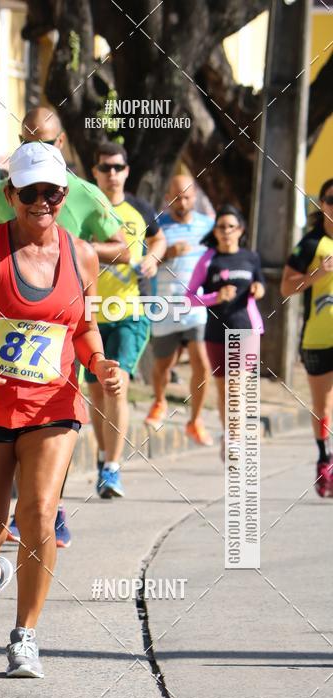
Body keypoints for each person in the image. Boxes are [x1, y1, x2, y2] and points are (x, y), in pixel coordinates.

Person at [0, 141, 120, 677]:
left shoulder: (81, 255)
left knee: (38, 511)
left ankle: (25, 637)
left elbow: (82, 328)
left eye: (52, 193)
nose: (42, 201)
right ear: (10, 194)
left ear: (64, 195)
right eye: (30, 191)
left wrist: (101, 363)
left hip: (54, 405)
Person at [0, 107, 130, 543]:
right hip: (6, 321)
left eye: (44, 143)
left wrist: (78, 252)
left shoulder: (82, 193)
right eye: (28, 144)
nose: (40, 200)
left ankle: (50, 507)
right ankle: (12, 513)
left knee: (54, 417)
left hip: (62, 322)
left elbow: (121, 246)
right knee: (7, 422)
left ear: (61, 145)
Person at [85, 142, 166, 498]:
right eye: (105, 168)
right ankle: (104, 458)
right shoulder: (84, 207)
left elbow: (159, 239)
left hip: (129, 313)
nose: (112, 174)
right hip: (89, 317)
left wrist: (155, 259)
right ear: (95, 172)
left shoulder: (139, 208)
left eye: (118, 167)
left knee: (116, 382)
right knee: (96, 395)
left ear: (127, 171)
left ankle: (113, 469)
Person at [186, 205, 265, 460]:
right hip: (216, 332)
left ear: (240, 230)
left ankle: (234, 439)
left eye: (231, 227)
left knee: (236, 387)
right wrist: (215, 297)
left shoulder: (250, 257)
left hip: (247, 330)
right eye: (221, 227)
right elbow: (189, 298)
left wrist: (257, 289)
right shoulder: (209, 259)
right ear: (216, 231)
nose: (226, 231)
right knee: (224, 391)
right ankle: (230, 435)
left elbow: (260, 284)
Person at [145, 175, 214, 446]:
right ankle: (159, 401)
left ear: (194, 197)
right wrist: (168, 252)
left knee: (202, 363)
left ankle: (195, 420)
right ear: (167, 197)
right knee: (163, 365)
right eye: (176, 197)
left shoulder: (207, 227)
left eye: (186, 197)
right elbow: (144, 260)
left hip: (196, 307)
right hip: (165, 305)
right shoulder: (157, 226)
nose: (181, 203)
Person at [280, 178, 333, 497]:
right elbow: (286, 287)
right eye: (331, 200)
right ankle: (324, 458)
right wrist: (317, 274)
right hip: (318, 336)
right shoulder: (311, 244)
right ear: (322, 204)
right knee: (322, 405)